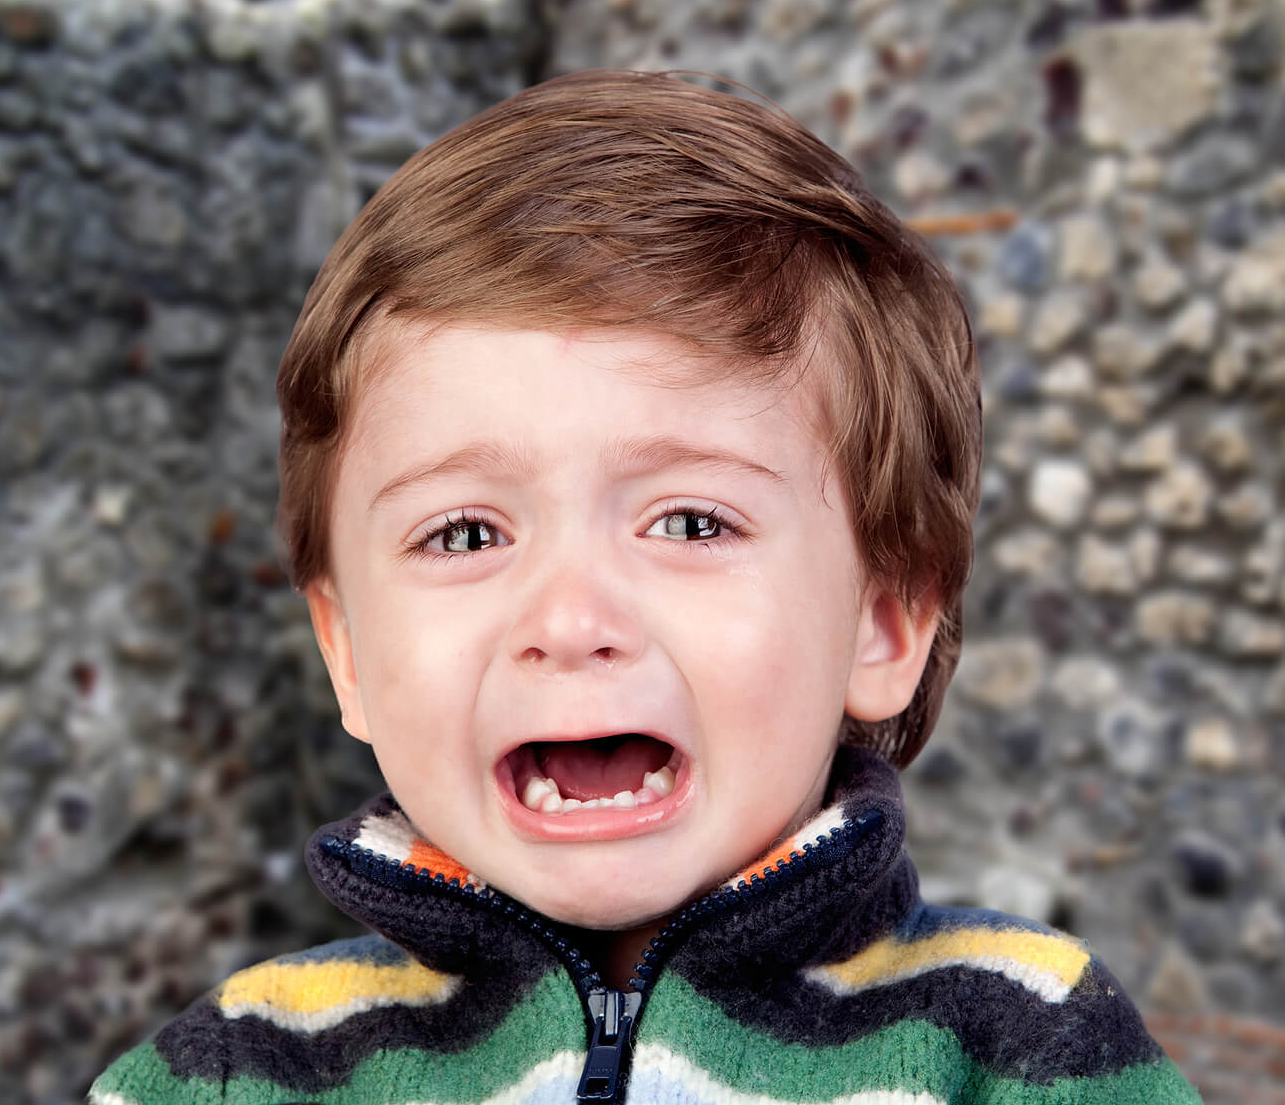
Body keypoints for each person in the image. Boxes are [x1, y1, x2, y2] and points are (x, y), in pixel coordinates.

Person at [90, 68, 1201, 1105]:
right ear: (345, 653)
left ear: (883, 617)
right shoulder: (236, 1071)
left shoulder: (1023, 1043)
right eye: (466, 533)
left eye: (689, 521)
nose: (571, 622)